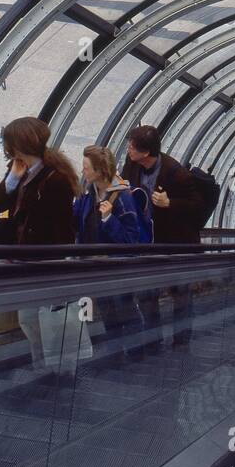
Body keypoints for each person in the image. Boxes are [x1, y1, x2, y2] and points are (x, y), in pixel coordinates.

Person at [0, 118, 79, 374]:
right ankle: (41, 365)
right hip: (24, 262)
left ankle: (59, 369)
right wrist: (12, 179)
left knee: (48, 319)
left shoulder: (56, 179)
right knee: (28, 319)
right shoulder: (18, 170)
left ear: (19, 144)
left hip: (46, 263)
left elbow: (60, 228)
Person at [122, 125, 203, 349]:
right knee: (146, 294)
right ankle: (152, 340)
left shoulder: (176, 173)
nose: (128, 148)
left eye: (132, 146)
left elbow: (197, 207)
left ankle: (181, 342)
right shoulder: (132, 165)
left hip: (176, 243)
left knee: (180, 293)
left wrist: (170, 203)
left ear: (146, 152)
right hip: (148, 242)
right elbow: (124, 183)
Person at [75, 145, 146, 358]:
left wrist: (108, 219)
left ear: (100, 171)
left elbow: (131, 241)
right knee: (108, 309)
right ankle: (115, 352)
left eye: (86, 168)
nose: (83, 172)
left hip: (117, 267)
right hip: (96, 265)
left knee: (124, 307)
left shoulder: (123, 198)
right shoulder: (89, 194)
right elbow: (78, 221)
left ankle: (135, 352)